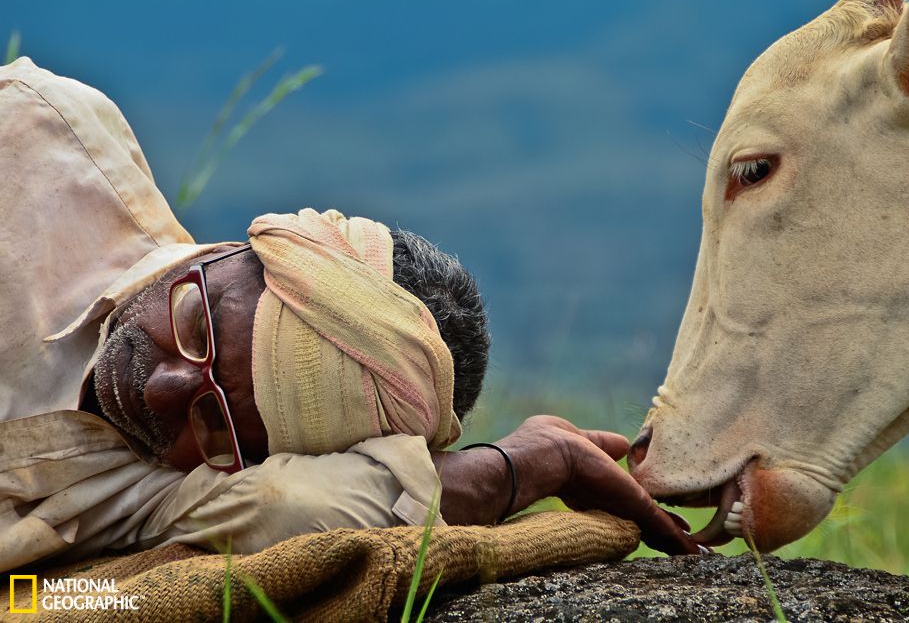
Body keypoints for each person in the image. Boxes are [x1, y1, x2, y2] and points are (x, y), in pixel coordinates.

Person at [0, 57, 698, 573]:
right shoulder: (37, 139)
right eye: (196, 326)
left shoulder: (170, 488)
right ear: (236, 251)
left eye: (212, 422)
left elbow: (300, 507)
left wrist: (516, 466)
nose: (161, 389)